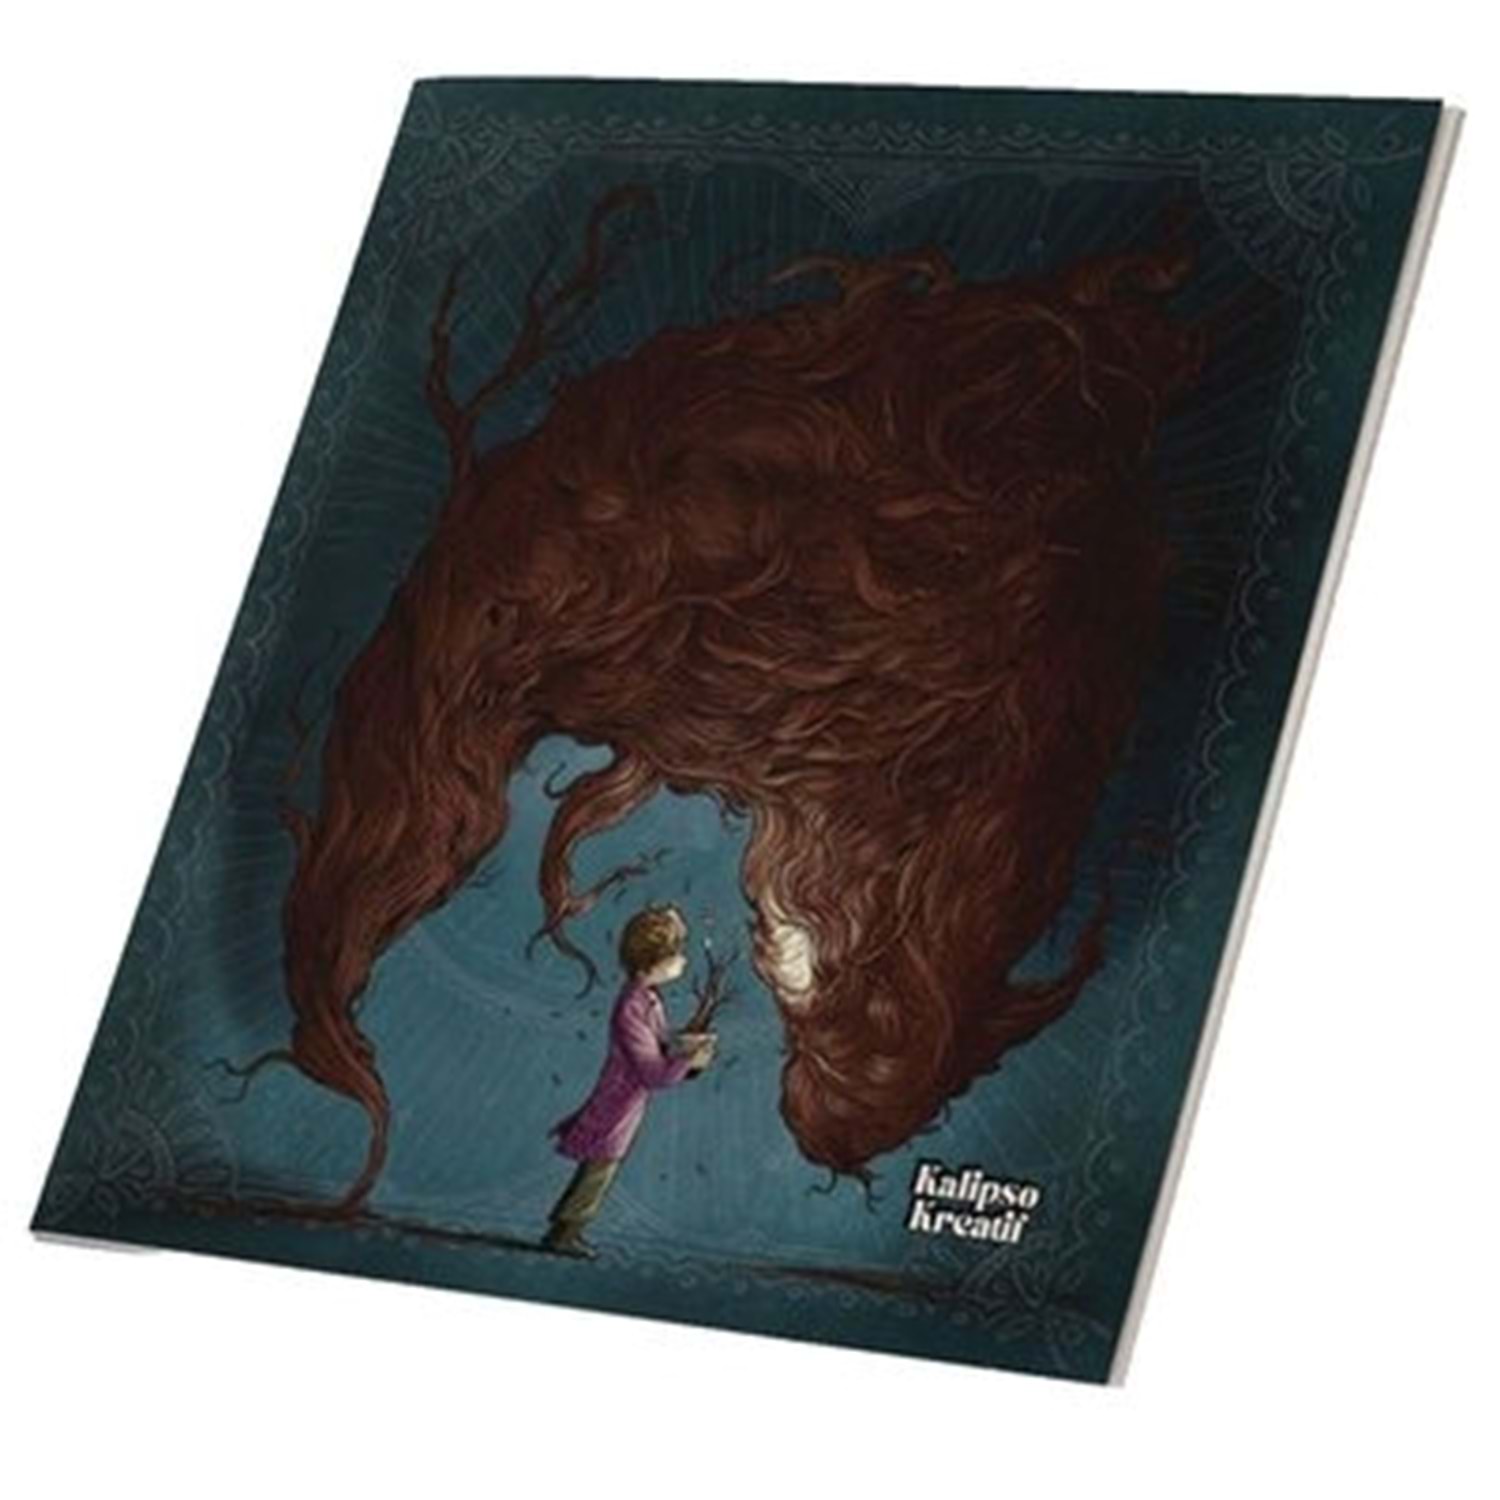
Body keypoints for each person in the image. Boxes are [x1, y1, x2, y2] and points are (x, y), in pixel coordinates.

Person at [542, 903, 716, 1257]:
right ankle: (565, 1233)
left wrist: (683, 1047)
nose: (682, 962)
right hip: (616, 1103)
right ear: (651, 963)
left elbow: (658, 1044)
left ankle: (564, 1227)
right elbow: (652, 1073)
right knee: (600, 1168)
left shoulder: (647, 999)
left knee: (600, 1167)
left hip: (626, 1104)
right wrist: (688, 1059)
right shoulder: (632, 1007)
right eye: (675, 955)